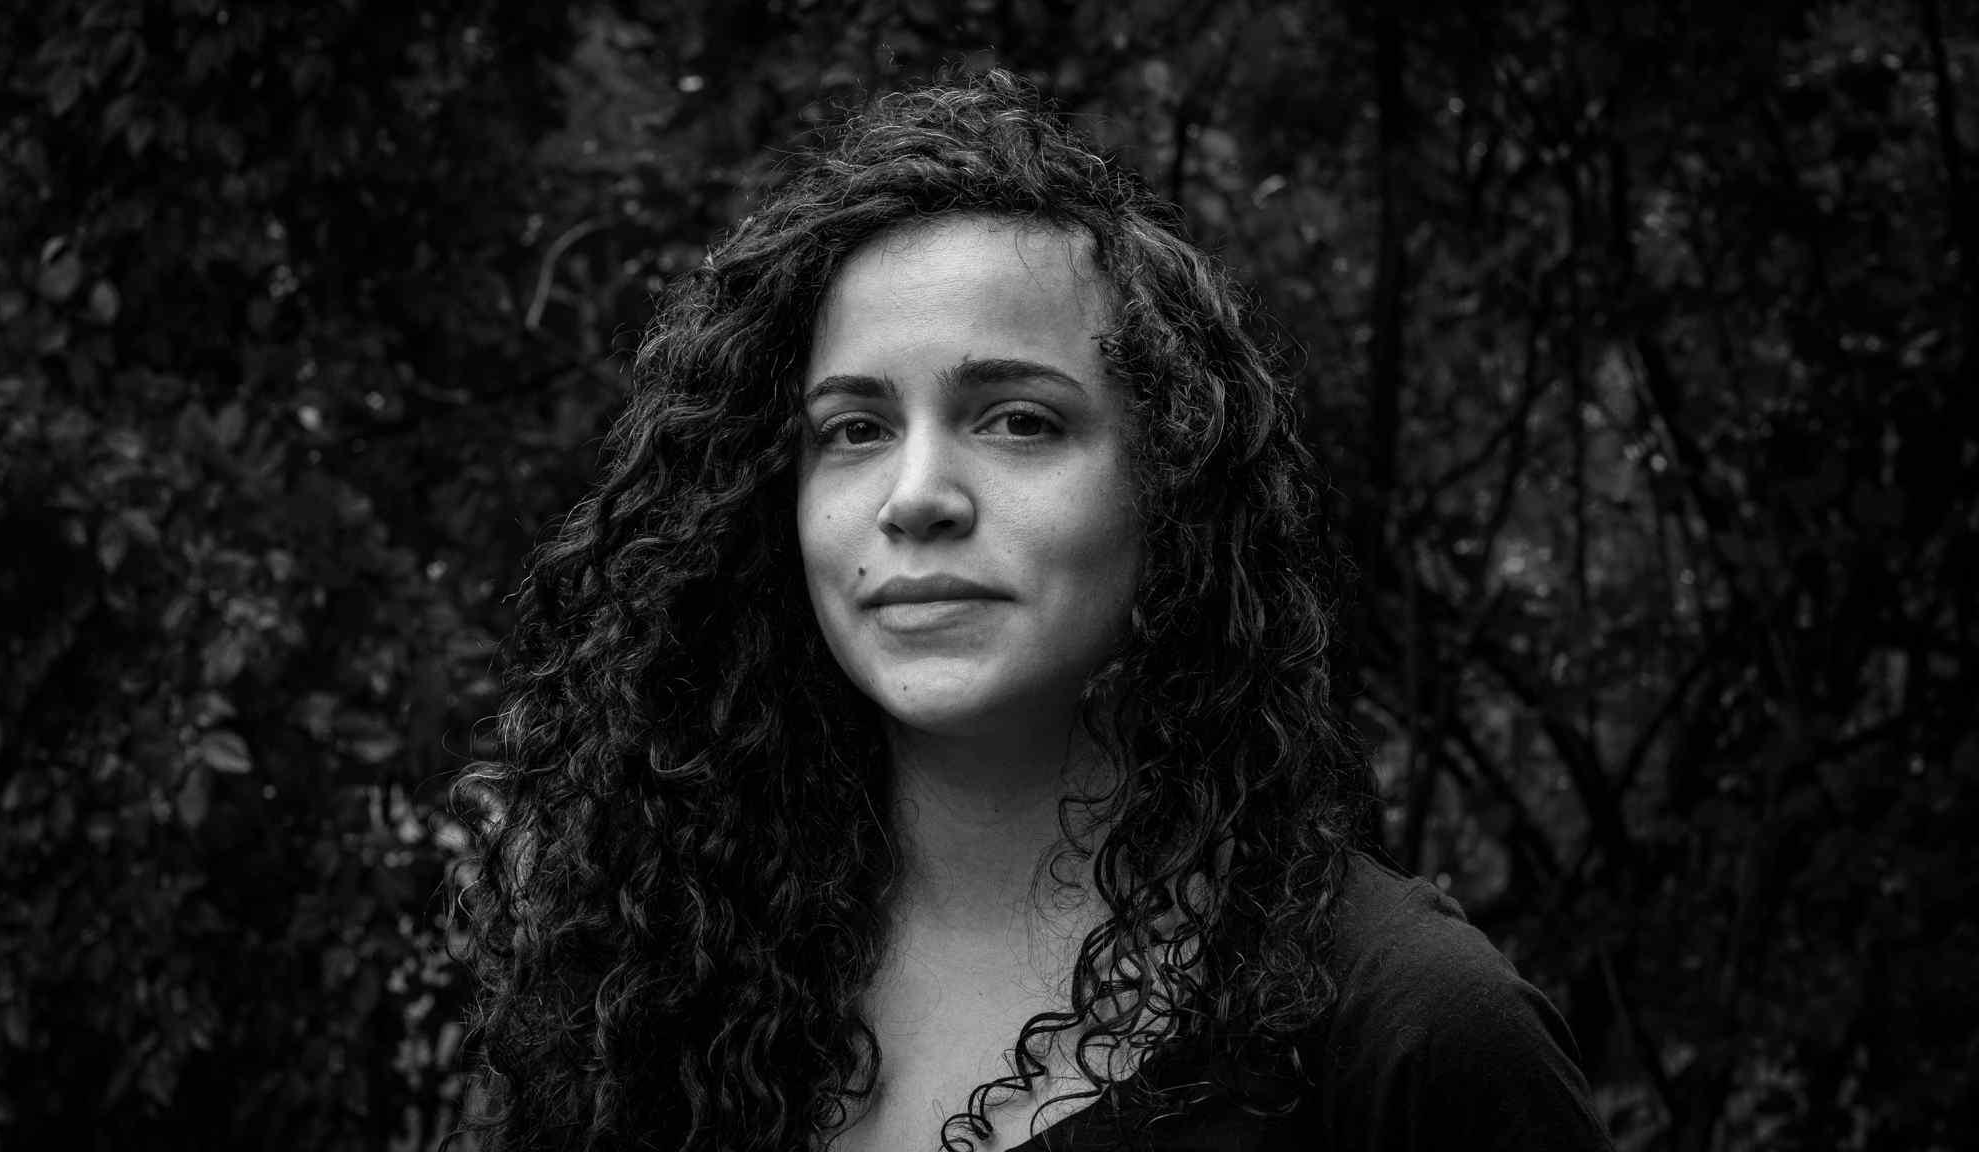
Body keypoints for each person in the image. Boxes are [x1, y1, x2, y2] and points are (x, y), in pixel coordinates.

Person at [451, 69, 1615, 1152]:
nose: (914, 500)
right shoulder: (656, 987)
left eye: (1017, 419)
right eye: (852, 429)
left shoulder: (1406, 1033)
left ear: (1171, 483)